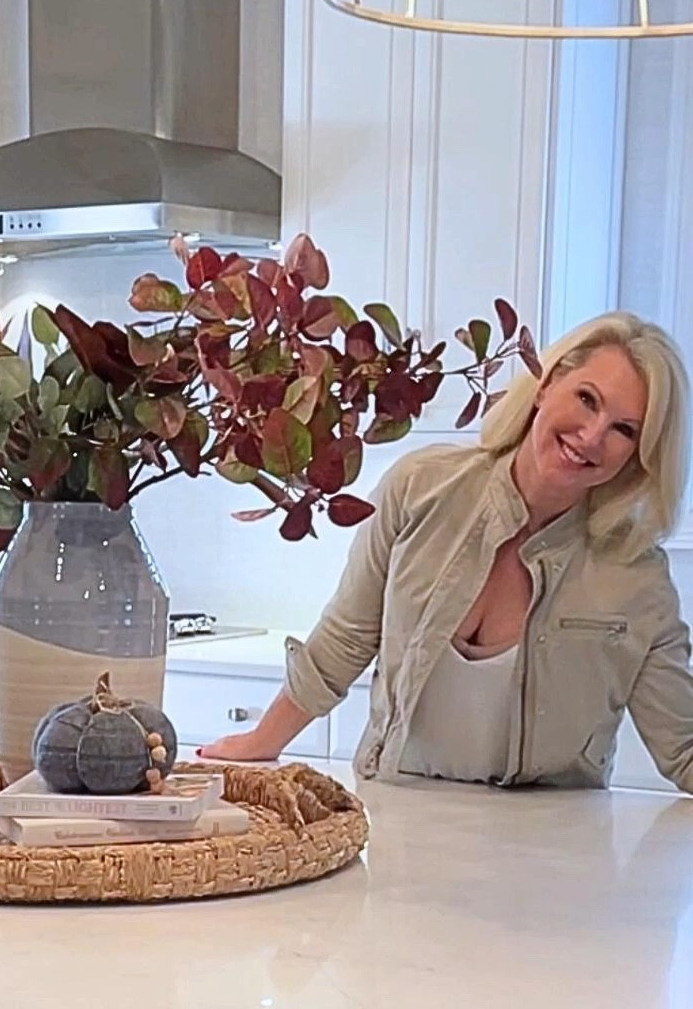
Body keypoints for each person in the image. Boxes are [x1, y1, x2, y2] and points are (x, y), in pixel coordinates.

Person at [199, 312, 693, 791]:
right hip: (397, 821)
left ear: (639, 454)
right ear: (546, 384)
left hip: (556, 850)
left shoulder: (637, 575)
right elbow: (344, 642)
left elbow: (684, 749)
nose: (592, 435)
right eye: (587, 399)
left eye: (624, 429)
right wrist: (261, 742)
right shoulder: (420, 488)